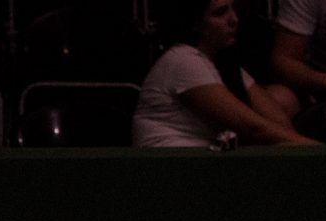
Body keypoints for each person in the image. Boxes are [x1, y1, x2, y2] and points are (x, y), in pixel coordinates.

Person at [133, 0, 316, 147]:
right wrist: (321, 154)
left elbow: (277, 120)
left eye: (233, 9)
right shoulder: (182, 60)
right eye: (220, 13)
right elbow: (254, 128)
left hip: (198, 163)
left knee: (283, 99)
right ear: (196, 23)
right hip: (163, 167)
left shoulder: (222, 63)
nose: (234, 19)